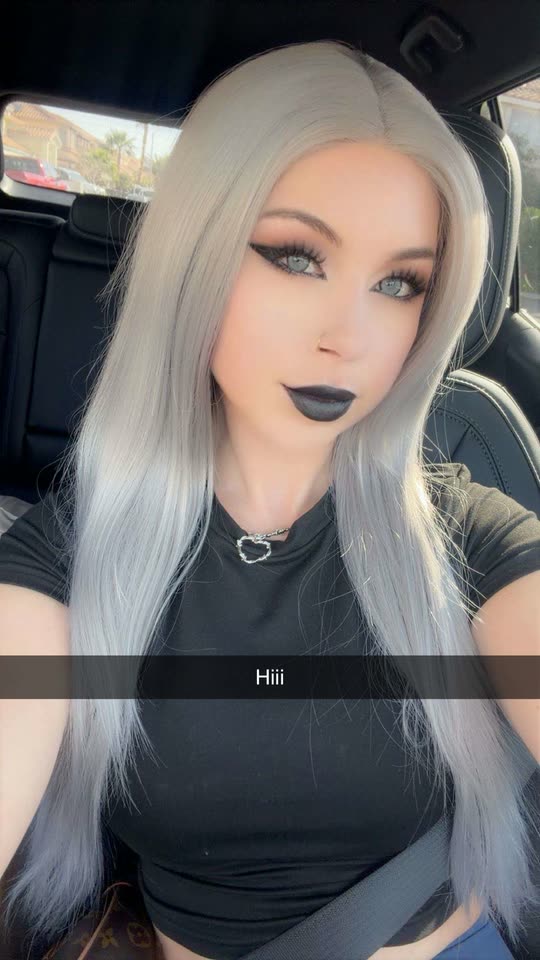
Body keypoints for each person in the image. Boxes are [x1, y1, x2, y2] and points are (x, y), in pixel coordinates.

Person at [1, 39, 539, 960]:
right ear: (193, 256)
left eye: (399, 283)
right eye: (296, 257)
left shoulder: (468, 539)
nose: (349, 337)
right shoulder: (68, 558)